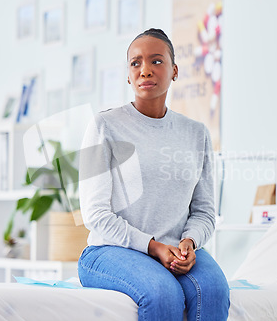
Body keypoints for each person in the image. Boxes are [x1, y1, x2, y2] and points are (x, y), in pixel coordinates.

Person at [77, 28, 230, 321]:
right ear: (128, 75)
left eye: (156, 61)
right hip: (110, 251)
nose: (145, 70)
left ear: (174, 70)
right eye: (136, 63)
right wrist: (153, 246)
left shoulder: (196, 134)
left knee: (214, 291)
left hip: (176, 251)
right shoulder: (104, 125)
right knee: (162, 294)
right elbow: (95, 214)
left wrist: (190, 242)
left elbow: (205, 211)